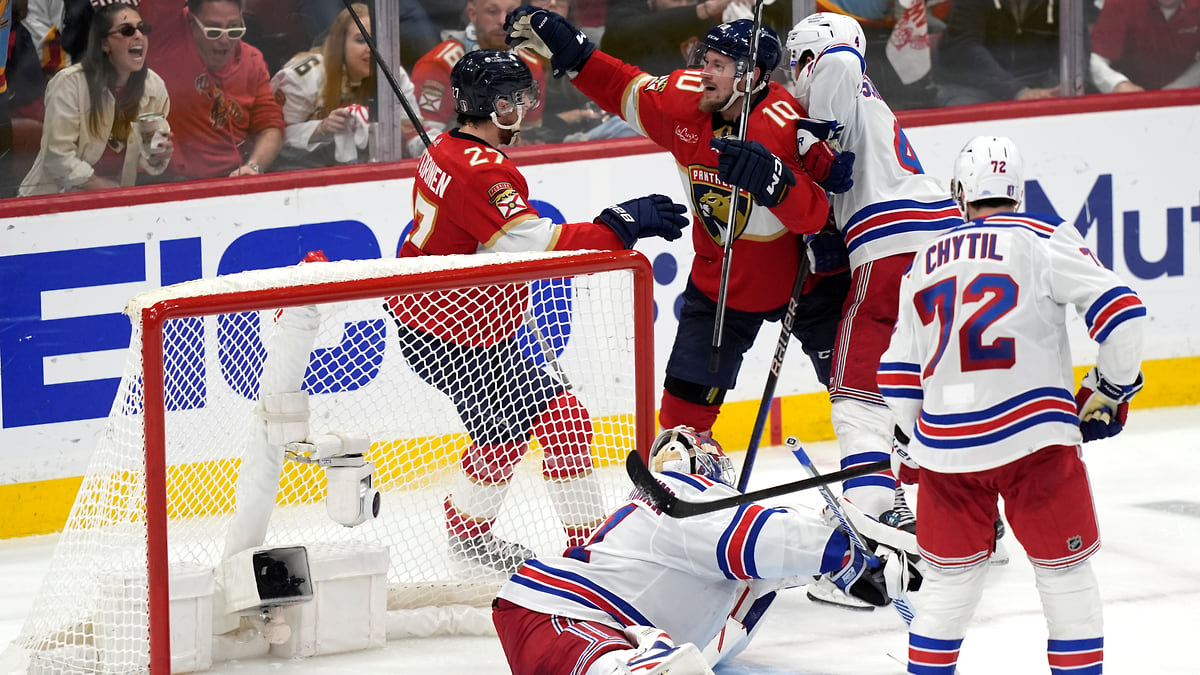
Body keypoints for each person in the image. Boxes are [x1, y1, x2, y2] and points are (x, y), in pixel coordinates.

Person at [383, 49, 691, 574]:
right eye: (511, 100)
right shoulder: (478, 169)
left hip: (452, 321)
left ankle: (483, 540)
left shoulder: (452, 149)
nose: (523, 108)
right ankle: (590, 551)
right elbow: (532, 243)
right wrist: (617, 224)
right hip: (452, 331)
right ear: (485, 104)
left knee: (512, 431)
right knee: (554, 422)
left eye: (525, 96)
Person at [507, 11, 854, 451]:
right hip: (721, 285)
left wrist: (774, 182)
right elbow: (622, 89)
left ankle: (879, 491)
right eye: (705, 60)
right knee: (677, 427)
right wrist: (576, 56)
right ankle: (697, 477)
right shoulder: (684, 99)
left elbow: (815, 217)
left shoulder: (787, 124)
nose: (704, 73)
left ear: (751, 76)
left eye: (719, 66)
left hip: (807, 284)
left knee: (856, 398)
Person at [877, 135, 1148, 674]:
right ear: (1015, 190)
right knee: (1065, 578)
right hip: (1034, 440)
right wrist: (1111, 388)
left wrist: (908, 441)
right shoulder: (1042, 236)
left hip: (947, 452)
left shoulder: (925, 260)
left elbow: (899, 372)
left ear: (961, 193)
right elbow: (1124, 313)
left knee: (947, 588)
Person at [783, 11, 964, 608]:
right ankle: (970, 522)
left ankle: (872, 552)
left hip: (893, 245)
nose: (793, 74)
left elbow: (838, 63)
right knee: (926, 389)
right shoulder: (871, 105)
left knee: (858, 391)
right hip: (944, 241)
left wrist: (814, 139)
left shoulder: (840, 72)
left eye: (797, 60)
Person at [493, 425, 922, 675]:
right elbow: (763, 537)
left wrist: (857, 564)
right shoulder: (682, 494)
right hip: (565, 614)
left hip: (597, 630)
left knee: (666, 662)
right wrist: (843, 554)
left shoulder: (704, 544)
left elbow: (778, 550)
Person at [19, 1, 173, 195]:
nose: (138, 35)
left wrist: (157, 155)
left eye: (142, 29)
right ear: (104, 44)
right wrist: (109, 193)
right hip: (52, 202)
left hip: (112, 202)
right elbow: (58, 157)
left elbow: (146, 155)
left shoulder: (154, 86)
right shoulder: (69, 84)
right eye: (127, 30)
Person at [139, 0, 283, 180]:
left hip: (233, 178)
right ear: (190, 21)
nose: (224, 40)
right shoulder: (166, 39)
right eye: (213, 31)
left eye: (233, 29)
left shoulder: (252, 60)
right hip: (172, 181)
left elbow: (271, 127)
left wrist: (253, 166)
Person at [270, 3, 419, 167]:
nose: (371, 48)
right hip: (304, 167)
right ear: (339, 44)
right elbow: (275, 137)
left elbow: (412, 132)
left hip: (371, 166)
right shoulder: (303, 77)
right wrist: (322, 128)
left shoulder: (394, 75)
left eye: (377, 40)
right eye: (361, 40)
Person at [410, 0, 545, 149]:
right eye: (492, 12)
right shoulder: (440, 65)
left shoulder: (530, 66)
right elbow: (423, 143)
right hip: (457, 165)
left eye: (512, 13)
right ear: (472, 14)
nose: (502, 21)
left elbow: (531, 136)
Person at [933, 0, 1061, 106]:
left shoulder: (1064, 4)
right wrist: (1017, 91)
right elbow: (964, 48)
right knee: (968, 117)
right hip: (971, 87)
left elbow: (1069, 44)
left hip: (1035, 83)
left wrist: (1068, 84)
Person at [1089, 0, 1200, 94]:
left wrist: (1173, 90)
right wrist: (1117, 84)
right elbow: (1094, 60)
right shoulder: (1121, 3)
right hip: (1125, 103)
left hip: (1183, 102)